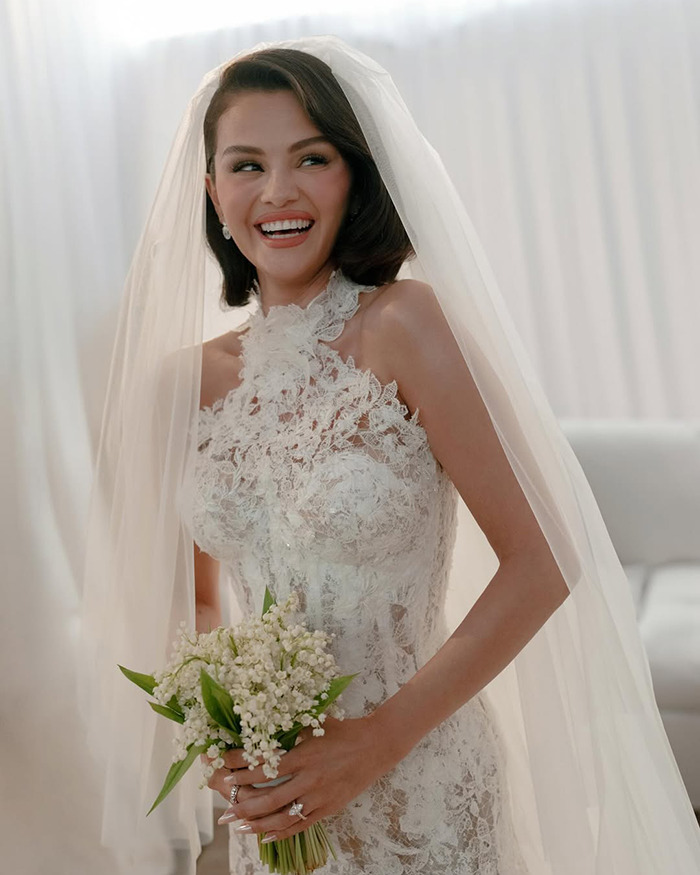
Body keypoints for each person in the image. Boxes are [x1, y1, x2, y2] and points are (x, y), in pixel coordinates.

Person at [80, 35, 700, 875]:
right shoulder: (184, 385)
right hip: (280, 807)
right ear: (211, 189)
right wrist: (230, 723)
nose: (279, 190)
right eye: (247, 165)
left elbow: (545, 558)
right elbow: (196, 601)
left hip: (424, 795)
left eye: (312, 157)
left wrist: (374, 742)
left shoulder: (403, 324)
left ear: (354, 175)